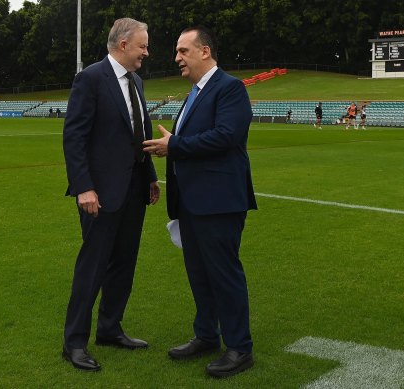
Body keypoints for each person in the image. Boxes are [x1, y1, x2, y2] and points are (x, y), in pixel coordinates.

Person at [142, 25, 257, 378]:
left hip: (219, 202)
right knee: (200, 275)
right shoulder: (194, 93)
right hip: (192, 202)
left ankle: (239, 348)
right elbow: (194, 142)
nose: (176, 58)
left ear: (205, 51)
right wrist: (173, 145)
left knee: (223, 274)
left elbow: (226, 136)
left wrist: (174, 145)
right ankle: (207, 335)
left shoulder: (230, 88)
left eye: (183, 51)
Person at [61, 17, 160, 372]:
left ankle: (109, 329)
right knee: (92, 267)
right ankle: (74, 343)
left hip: (134, 191)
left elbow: (140, 132)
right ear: (122, 45)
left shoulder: (136, 81)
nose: (146, 53)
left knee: (124, 265)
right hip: (100, 194)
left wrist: (150, 176)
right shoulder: (90, 78)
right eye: (142, 46)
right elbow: (74, 137)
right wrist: (84, 187)